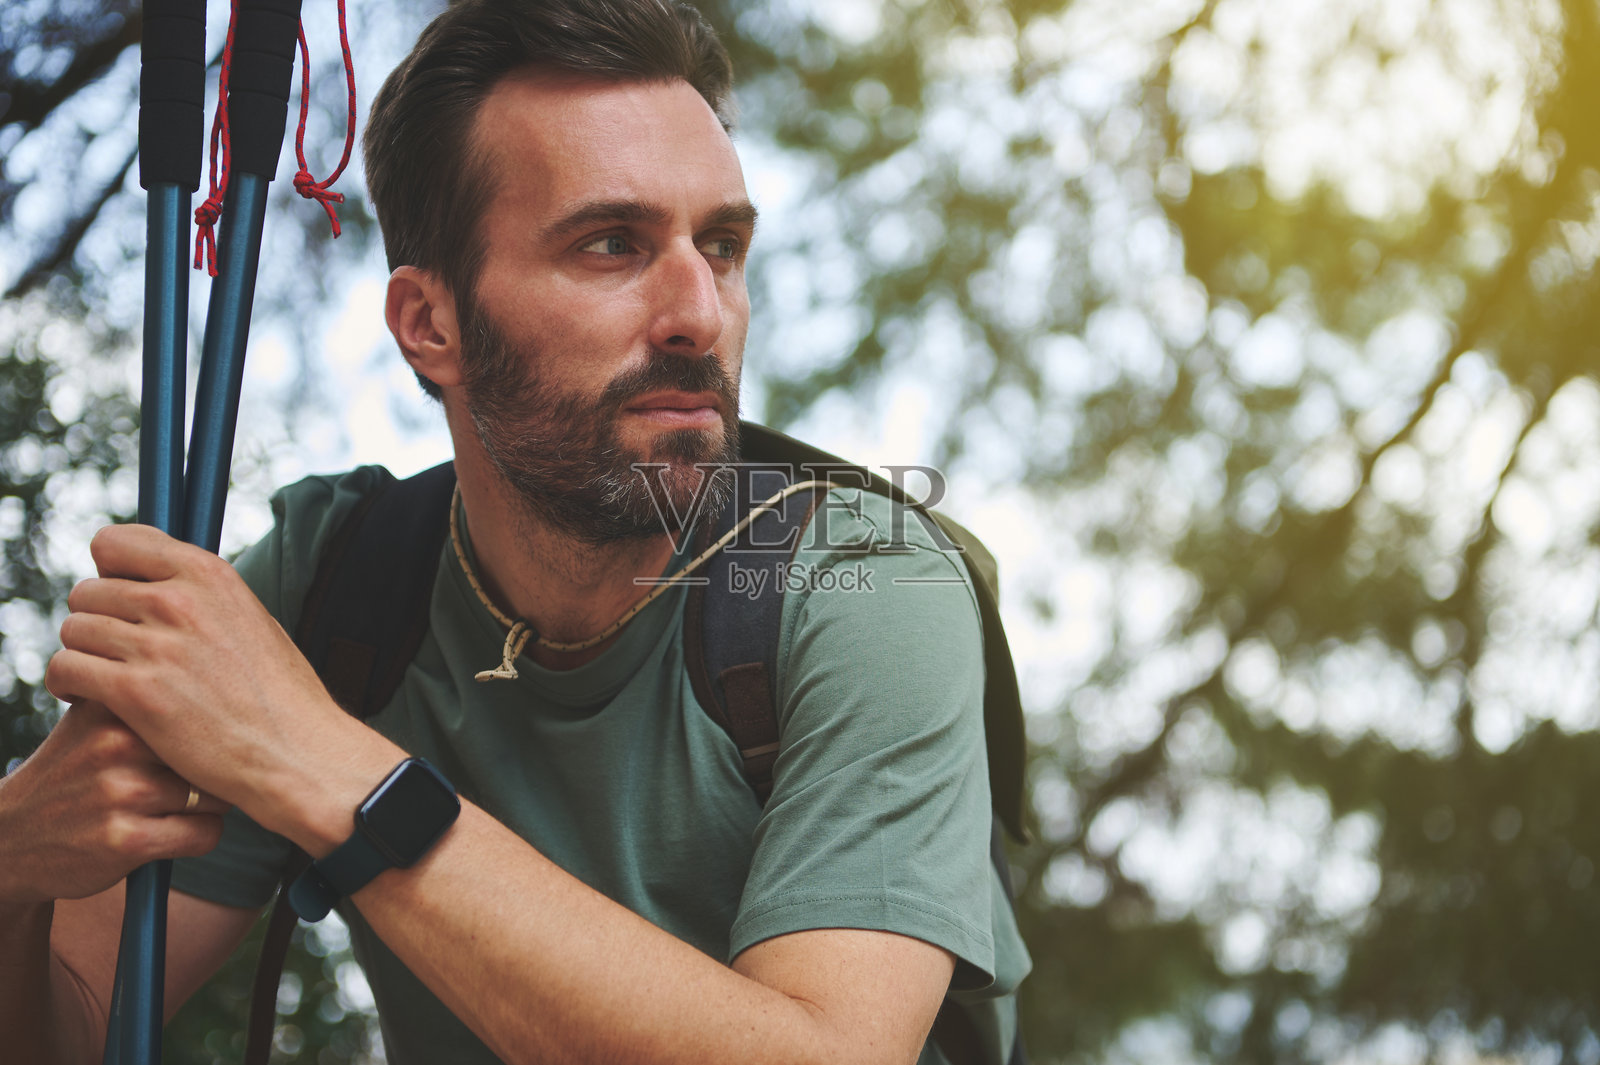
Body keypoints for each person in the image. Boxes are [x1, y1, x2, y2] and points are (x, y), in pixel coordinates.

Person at [0, 1, 1030, 1062]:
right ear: (428, 325)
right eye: (611, 245)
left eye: (720, 246)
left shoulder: (862, 580)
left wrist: (317, 761)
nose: (699, 313)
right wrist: (12, 869)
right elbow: (72, 1032)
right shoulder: (341, 584)